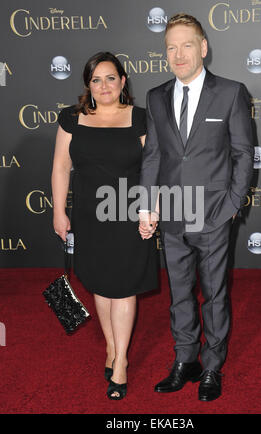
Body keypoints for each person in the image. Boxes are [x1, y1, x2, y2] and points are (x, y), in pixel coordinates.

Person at [139, 13, 254, 401]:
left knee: (215, 293)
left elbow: (242, 153)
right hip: (171, 215)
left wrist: (232, 205)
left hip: (214, 214)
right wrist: (146, 206)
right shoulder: (156, 97)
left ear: (203, 47)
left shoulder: (231, 92)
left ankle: (211, 366)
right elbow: (153, 156)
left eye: (187, 44)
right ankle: (184, 359)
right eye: (171, 47)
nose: (179, 54)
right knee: (179, 294)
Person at [51, 51, 158, 401]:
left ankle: (122, 361)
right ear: (88, 85)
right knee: (99, 284)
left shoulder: (141, 118)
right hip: (87, 215)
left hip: (127, 215)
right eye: (96, 79)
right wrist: (58, 211)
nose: (104, 86)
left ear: (123, 81)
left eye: (111, 78)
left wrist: (149, 210)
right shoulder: (71, 118)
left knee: (124, 287)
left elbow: (153, 170)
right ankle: (112, 348)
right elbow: (61, 168)